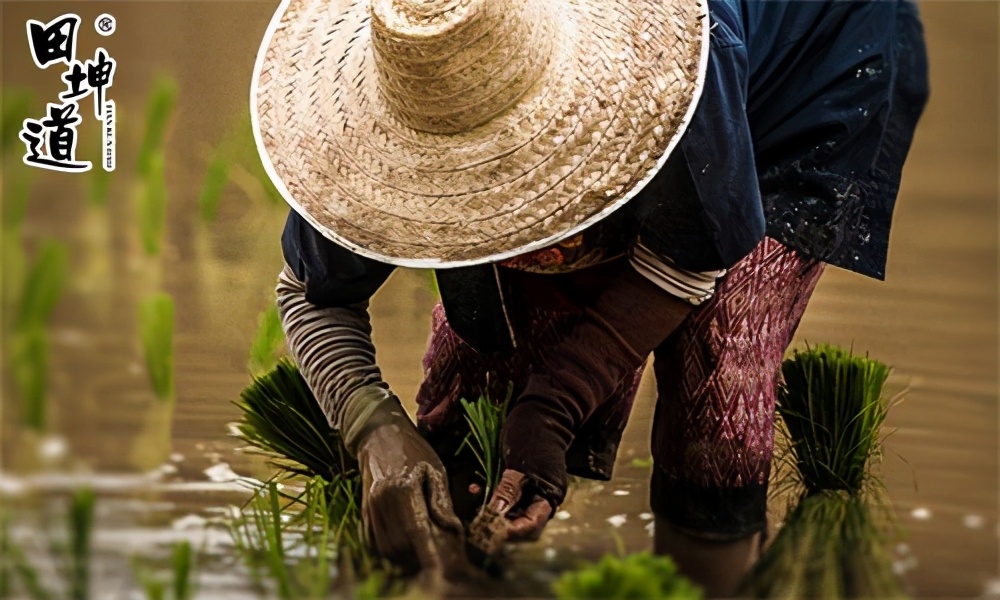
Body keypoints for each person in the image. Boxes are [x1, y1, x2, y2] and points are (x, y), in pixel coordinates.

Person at [252, 0, 928, 595]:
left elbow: (693, 259)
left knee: (719, 377)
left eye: (505, 169)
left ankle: (706, 582)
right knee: (483, 376)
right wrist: (376, 432)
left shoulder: (670, 71)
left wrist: (556, 402)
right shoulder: (381, 110)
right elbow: (311, 295)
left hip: (809, 70)